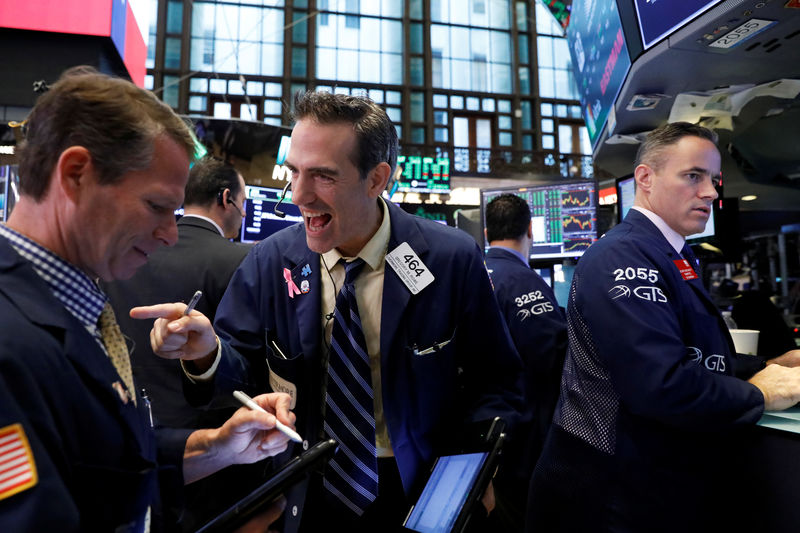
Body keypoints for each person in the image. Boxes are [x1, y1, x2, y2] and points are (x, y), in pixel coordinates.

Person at [133, 90, 524, 532]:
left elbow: (498, 382)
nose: (299, 196)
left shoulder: (449, 259)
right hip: (307, 489)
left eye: (322, 176)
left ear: (376, 179)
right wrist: (208, 355)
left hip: (424, 491)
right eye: (294, 172)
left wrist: (477, 468)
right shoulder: (269, 261)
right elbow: (239, 378)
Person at [0, 67, 295, 532]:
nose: (169, 234)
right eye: (157, 207)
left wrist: (216, 446)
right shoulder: (10, 338)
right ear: (76, 174)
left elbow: (96, 464)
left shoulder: (71, 302)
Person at [526, 122, 800, 533]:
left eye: (713, 179)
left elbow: (691, 351)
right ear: (646, 178)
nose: (710, 192)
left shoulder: (669, 252)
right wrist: (760, 392)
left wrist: (768, 362)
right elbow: (660, 382)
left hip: (644, 487)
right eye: (694, 176)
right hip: (608, 499)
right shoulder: (622, 256)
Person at [101, 156, 255, 530]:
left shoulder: (130, 253)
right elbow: (248, 365)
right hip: (210, 453)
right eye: (243, 202)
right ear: (226, 199)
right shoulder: (245, 259)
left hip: (128, 440)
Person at [483, 193, 567, 531]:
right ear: (530, 229)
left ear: (487, 231)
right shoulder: (522, 281)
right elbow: (556, 358)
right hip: (524, 443)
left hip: (487, 437)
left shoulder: (472, 271)